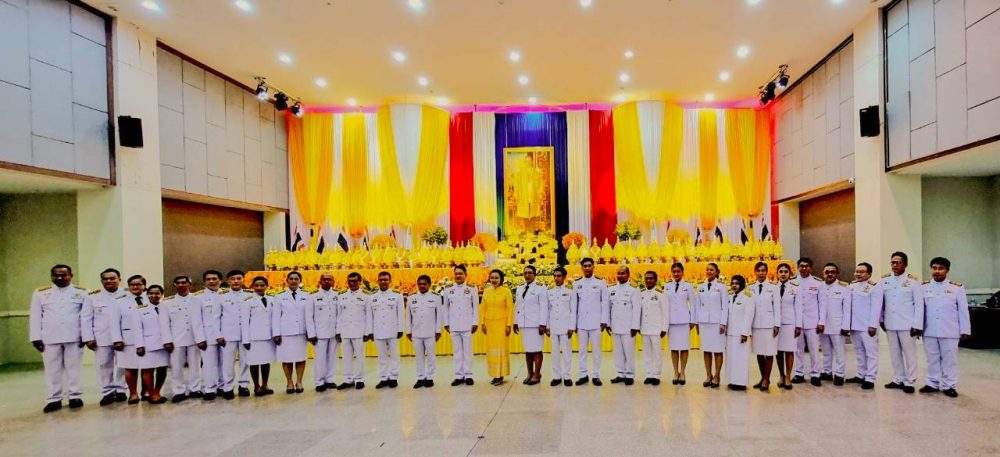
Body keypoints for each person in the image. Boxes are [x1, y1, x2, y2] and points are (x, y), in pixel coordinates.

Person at [29, 264, 87, 413]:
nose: (59, 278)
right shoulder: (41, 293)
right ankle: (53, 399)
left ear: (71, 275)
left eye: (63, 275)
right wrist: (35, 337)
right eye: (56, 275)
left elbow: (86, 316)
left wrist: (86, 336)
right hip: (49, 337)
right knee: (52, 369)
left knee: (74, 368)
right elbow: (35, 316)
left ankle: (74, 396)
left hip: (74, 336)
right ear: (51, 276)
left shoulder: (81, 292)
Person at [920, 257, 971, 398]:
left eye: (941, 268)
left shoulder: (956, 288)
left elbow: (963, 310)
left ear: (947, 270)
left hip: (950, 330)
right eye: (934, 268)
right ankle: (932, 383)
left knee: (950, 360)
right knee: (932, 358)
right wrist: (918, 327)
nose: (937, 271)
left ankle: (949, 385)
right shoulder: (923, 287)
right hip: (929, 329)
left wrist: (965, 330)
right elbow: (920, 309)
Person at [81, 268, 126, 406]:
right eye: (105, 279)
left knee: (123, 364)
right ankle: (107, 391)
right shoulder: (92, 296)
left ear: (119, 279)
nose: (109, 281)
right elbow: (86, 318)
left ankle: (121, 389)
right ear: (101, 281)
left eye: (112, 278)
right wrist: (88, 337)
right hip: (102, 336)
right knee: (104, 365)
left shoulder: (127, 294)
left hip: (124, 336)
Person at [880, 251, 923, 394]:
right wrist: (881, 319)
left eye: (898, 262)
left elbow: (919, 305)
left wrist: (917, 325)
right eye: (892, 262)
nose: (894, 265)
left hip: (907, 325)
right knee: (894, 353)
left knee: (910, 354)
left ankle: (910, 381)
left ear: (905, 264)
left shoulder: (913, 281)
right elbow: (881, 303)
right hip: (890, 323)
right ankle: (898, 379)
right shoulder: (885, 280)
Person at [159, 275, 207, 402]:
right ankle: (178, 391)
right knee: (176, 366)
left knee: (195, 364)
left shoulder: (198, 300)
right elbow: (164, 324)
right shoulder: (166, 303)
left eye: (184, 282)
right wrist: (167, 341)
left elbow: (202, 320)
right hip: (176, 339)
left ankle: (195, 388)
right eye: (178, 283)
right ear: (174, 285)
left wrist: (201, 338)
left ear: (190, 284)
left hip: (195, 338)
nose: (181, 285)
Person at [846, 262, 883, 390]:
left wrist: (873, 325)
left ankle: (870, 378)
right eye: (857, 271)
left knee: (871, 353)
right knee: (859, 352)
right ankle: (860, 374)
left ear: (869, 274)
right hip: (854, 325)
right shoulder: (851, 286)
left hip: (868, 326)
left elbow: (876, 307)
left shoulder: (875, 287)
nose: (858, 274)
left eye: (862, 272)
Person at [573, 257, 609, 386]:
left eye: (589, 265)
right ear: (581, 268)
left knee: (596, 351)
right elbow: (574, 304)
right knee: (582, 351)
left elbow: (605, 302)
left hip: (596, 322)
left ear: (593, 267)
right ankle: (583, 375)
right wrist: (574, 324)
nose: (587, 268)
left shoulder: (601, 282)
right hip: (581, 322)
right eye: (585, 266)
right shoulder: (576, 283)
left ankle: (596, 375)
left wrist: (604, 320)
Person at [274, 271, 310, 394]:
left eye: (296, 279)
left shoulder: (307, 295)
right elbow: (276, 316)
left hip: (301, 332)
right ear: (287, 281)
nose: (293, 281)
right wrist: (276, 333)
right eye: (291, 279)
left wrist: (310, 332)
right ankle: (289, 382)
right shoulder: (279, 296)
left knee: (301, 358)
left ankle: (299, 381)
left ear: (300, 281)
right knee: (287, 358)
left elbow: (309, 315)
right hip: (286, 332)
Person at [133, 284, 168, 404]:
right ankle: (151, 393)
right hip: (147, 344)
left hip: (164, 344)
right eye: (151, 293)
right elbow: (137, 329)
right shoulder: (140, 309)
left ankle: (157, 391)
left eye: (157, 293)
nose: (154, 295)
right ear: (147, 294)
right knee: (147, 370)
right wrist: (139, 345)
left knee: (162, 369)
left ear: (162, 294)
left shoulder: (166, 306)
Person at [444, 265, 479, 386]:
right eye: (456, 273)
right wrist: (446, 323)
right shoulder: (448, 289)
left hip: (467, 324)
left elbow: (475, 307)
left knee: (467, 351)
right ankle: (458, 375)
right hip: (454, 324)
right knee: (457, 351)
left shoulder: (472, 288)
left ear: (465, 275)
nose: (458, 276)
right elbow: (446, 307)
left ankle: (468, 375)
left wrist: (475, 322)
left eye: (460, 273)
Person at [695, 263, 728, 388]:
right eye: (707, 269)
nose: (709, 271)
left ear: (717, 271)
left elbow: (725, 306)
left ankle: (717, 375)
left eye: (712, 270)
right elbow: (697, 306)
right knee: (707, 350)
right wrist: (697, 323)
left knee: (718, 350)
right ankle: (708, 375)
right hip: (704, 323)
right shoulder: (700, 285)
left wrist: (723, 323)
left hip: (717, 323)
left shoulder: (722, 286)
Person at [369, 271, 405, 389]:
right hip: (378, 331)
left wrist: (400, 329)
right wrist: (370, 331)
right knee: (381, 356)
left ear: (390, 281)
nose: (383, 282)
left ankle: (393, 377)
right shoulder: (372, 297)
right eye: (381, 280)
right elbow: (370, 316)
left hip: (393, 330)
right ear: (377, 281)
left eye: (385, 279)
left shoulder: (397, 295)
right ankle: (384, 378)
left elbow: (400, 314)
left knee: (394, 355)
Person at [514, 265, 549, 385]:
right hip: (524, 323)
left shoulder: (541, 288)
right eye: (525, 273)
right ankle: (530, 373)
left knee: (537, 350)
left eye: (530, 273)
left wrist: (543, 324)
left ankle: (537, 375)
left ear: (535, 274)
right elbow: (517, 306)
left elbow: (544, 306)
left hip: (535, 324)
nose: (527, 275)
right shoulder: (520, 288)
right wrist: (515, 321)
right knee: (528, 350)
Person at [792, 258, 824, 386]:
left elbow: (822, 303)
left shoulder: (818, 283)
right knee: (798, 349)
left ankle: (815, 374)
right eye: (801, 266)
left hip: (812, 321)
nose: (804, 268)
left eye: (807, 266)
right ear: (798, 267)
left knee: (814, 349)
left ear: (811, 267)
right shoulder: (792, 282)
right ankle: (799, 373)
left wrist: (821, 321)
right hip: (797, 322)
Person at [241, 276, 275, 396]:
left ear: (267, 286)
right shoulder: (247, 301)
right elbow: (244, 321)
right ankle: (256, 386)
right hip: (253, 337)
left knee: (266, 362)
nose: (259, 287)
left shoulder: (272, 299)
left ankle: (265, 385)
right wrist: (245, 339)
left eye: (262, 285)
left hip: (268, 337)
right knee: (254, 362)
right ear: (252, 287)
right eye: (257, 285)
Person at [818, 263, 851, 386]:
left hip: (838, 325)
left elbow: (847, 309)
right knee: (826, 351)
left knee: (839, 352)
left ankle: (839, 374)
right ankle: (827, 372)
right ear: (823, 274)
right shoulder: (819, 286)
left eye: (833, 272)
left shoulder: (844, 287)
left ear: (837, 274)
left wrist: (845, 326)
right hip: (822, 325)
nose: (830, 274)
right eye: (827, 272)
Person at [664, 262, 697, 386]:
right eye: (674, 271)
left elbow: (693, 304)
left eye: (678, 271)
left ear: (682, 272)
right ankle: (675, 372)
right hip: (671, 321)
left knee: (683, 348)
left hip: (684, 321)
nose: (676, 273)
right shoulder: (667, 285)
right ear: (671, 273)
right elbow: (665, 304)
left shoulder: (688, 286)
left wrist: (693, 320)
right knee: (673, 348)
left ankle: (682, 372)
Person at [196, 270, 227, 401]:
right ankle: (210, 389)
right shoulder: (198, 298)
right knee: (209, 364)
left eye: (214, 279)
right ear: (204, 282)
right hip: (208, 336)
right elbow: (196, 320)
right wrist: (200, 338)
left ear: (220, 280)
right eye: (208, 279)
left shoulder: (227, 295)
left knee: (225, 363)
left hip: (226, 335)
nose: (211, 281)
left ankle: (223, 386)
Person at [749, 262, 780, 391]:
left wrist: (777, 324)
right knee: (759, 352)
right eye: (758, 270)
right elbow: (748, 307)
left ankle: (767, 379)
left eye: (763, 270)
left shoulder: (774, 287)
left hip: (769, 324)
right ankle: (763, 378)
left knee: (769, 352)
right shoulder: (750, 288)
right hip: (756, 324)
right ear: (755, 272)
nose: (761, 273)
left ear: (767, 272)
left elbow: (777, 307)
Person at [408, 275, 443, 388]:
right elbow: (408, 316)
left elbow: (439, 315)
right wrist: (408, 331)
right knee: (419, 357)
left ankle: (430, 377)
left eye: (424, 284)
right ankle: (420, 377)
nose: (422, 286)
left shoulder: (436, 297)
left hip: (430, 332)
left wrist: (438, 331)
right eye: (420, 284)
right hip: (416, 332)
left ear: (429, 284)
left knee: (431, 356)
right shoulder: (411, 297)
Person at [337, 272, 370, 390]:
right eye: (350, 281)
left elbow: (368, 315)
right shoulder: (341, 295)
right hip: (345, 331)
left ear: (360, 282)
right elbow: (339, 315)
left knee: (360, 356)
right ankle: (348, 379)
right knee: (346, 357)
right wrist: (338, 331)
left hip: (359, 331)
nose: (352, 283)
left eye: (354, 281)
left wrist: (367, 332)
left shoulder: (366, 296)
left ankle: (360, 379)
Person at [608, 266, 640, 386]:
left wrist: (635, 326)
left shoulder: (634, 289)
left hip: (628, 327)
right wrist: (608, 324)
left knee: (629, 352)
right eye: (619, 273)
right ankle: (620, 374)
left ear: (628, 275)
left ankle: (630, 375)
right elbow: (609, 308)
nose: (620, 276)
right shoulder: (611, 288)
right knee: (618, 352)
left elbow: (637, 309)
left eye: (623, 273)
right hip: (615, 326)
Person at [221, 270, 251, 399]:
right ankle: (228, 387)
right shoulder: (222, 297)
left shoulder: (250, 296)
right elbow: (216, 317)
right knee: (228, 362)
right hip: (228, 334)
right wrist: (218, 334)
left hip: (246, 334)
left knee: (245, 361)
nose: (236, 281)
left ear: (243, 280)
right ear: (228, 281)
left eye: (239, 278)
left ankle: (243, 385)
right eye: (233, 279)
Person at [307, 273, 339, 392]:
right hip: (319, 333)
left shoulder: (337, 295)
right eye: (324, 279)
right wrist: (311, 334)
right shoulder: (313, 296)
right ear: (320, 281)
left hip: (334, 332)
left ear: (333, 281)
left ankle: (329, 379)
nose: (326, 281)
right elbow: (309, 316)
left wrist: (339, 331)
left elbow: (339, 315)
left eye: (329, 279)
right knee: (320, 358)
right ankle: (319, 381)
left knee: (332, 357)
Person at [480, 269, 513, 386]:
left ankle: (500, 375)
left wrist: (508, 325)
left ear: (501, 279)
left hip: (502, 324)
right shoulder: (486, 291)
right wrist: (482, 323)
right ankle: (495, 374)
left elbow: (510, 309)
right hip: (490, 324)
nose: (494, 280)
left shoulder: (506, 292)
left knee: (501, 350)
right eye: (492, 278)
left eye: (496, 278)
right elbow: (483, 308)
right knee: (491, 350)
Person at [118, 275, 147, 404]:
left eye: (138, 284)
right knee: (130, 367)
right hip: (129, 339)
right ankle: (133, 393)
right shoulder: (119, 301)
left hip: (148, 338)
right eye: (132, 285)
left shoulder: (151, 298)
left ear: (144, 286)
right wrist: (117, 339)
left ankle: (146, 391)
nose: (135, 287)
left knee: (148, 367)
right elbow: (114, 322)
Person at [546, 267, 576, 387]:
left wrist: (571, 326)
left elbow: (573, 310)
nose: (556, 278)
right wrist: (547, 326)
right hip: (553, 326)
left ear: (564, 277)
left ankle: (567, 376)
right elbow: (548, 310)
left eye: (559, 276)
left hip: (565, 326)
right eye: (555, 276)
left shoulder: (570, 291)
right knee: (554, 353)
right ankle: (556, 376)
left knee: (566, 353)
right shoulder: (549, 291)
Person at [775, 263, 802, 390]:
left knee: (789, 351)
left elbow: (798, 307)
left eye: (786, 271)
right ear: (777, 273)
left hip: (790, 323)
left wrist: (798, 325)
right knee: (778, 351)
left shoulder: (795, 287)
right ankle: (781, 375)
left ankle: (788, 376)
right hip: (776, 324)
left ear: (790, 274)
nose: (783, 274)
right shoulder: (773, 287)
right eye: (781, 271)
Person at [638, 271, 668, 386]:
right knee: (647, 353)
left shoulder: (661, 294)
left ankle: (656, 375)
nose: (648, 280)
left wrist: (664, 328)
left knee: (657, 353)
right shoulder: (641, 293)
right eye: (646, 278)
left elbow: (665, 312)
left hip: (656, 329)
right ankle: (649, 374)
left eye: (651, 278)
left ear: (655, 280)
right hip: (644, 328)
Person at [725, 275, 754, 391]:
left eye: (736, 283)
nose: (734, 286)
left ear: (742, 284)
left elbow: (748, 316)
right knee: (732, 358)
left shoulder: (748, 297)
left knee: (741, 358)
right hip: (731, 332)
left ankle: (741, 383)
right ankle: (732, 380)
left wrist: (745, 333)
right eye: (732, 283)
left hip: (741, 333)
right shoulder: (730, 296)